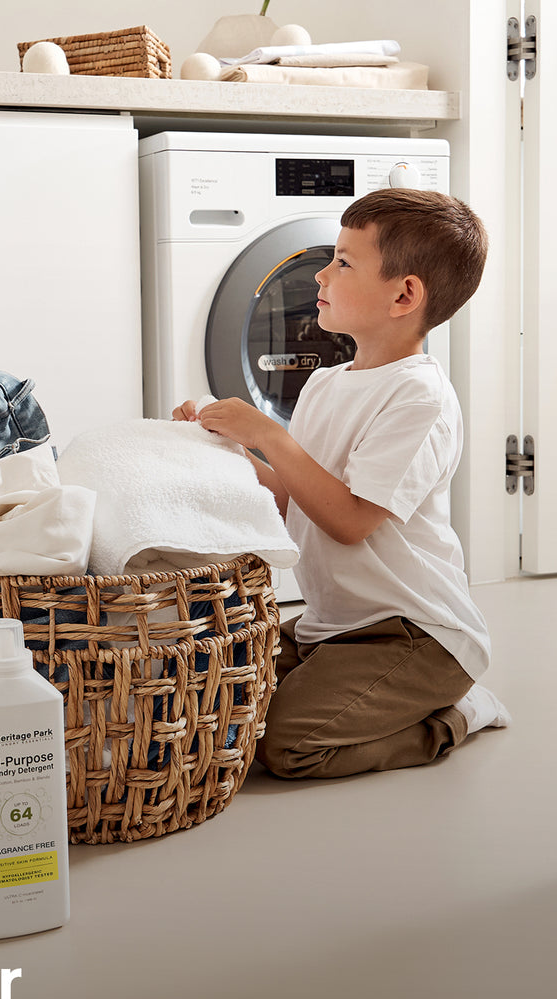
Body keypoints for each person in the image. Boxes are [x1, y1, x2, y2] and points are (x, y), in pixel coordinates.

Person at [174, 188, 510, 778]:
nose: (322, 274)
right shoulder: (325, 385)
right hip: (333, 626)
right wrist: (224, 449)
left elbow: (350, 521)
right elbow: (293, 501)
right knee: (209, 694)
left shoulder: (419, 396)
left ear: (404, 295)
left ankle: (459, 712)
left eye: (344, 262)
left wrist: (268, 435)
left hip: (414, 635)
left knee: (288, 746)